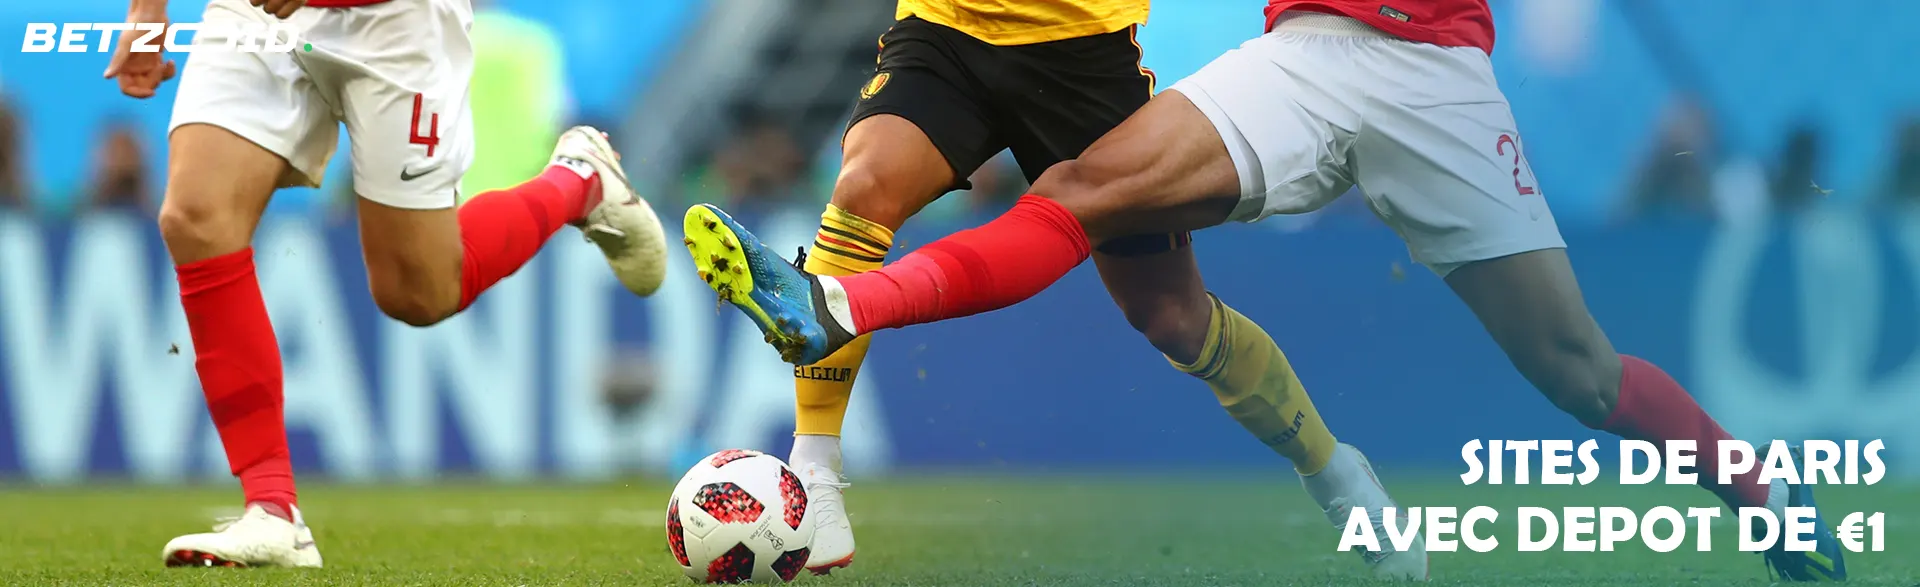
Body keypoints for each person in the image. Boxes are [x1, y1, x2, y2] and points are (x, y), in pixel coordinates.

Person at [686, 0, 1849, 581]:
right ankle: (839, 326)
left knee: (1575, 371)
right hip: (1303, 55)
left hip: (1440, 79)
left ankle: (1763, 490)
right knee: (1061, 190)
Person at [687, 0, 1423, 579]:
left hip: (1084, 58)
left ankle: (1334, 473)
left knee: (1172, 318)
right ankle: (814, 469)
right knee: (863, 185)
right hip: (949, 32)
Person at [105, 0, 668, 568]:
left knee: (418, 292)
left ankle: (579, 181)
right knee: (196, 217)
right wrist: (148, 11)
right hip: (255, 18)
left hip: (394, 19)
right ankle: (272, 510)